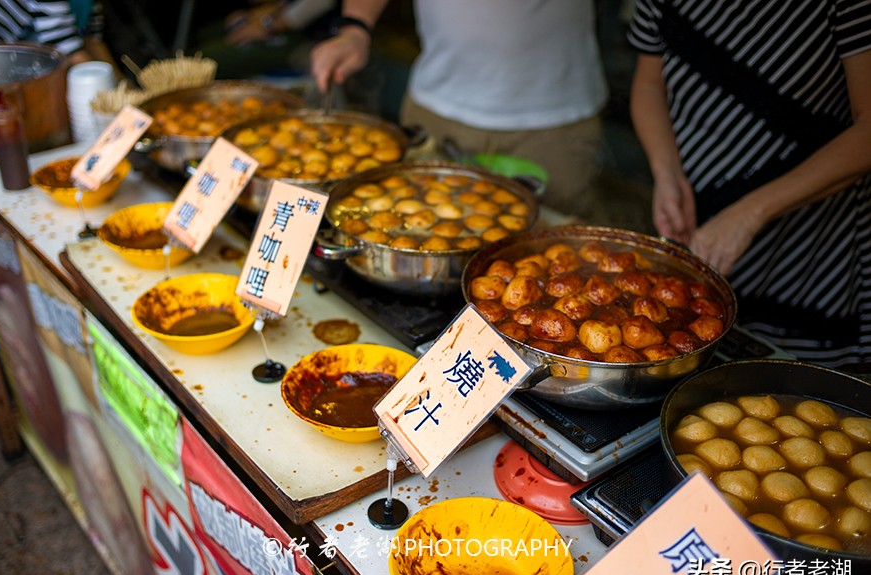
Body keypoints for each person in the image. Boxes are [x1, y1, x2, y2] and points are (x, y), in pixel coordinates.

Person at [628, 0, 871, 369]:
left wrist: (749, 214)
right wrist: (667, 173)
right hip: (696, 208)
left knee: (795, 382)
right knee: (687, 345)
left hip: (811, 238)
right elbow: (648, 83)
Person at [310, 0, 609, 219]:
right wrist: (356, 27)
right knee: (412, 225)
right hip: (438, 107)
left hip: (554, 120)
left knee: (553, 247)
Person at [196, 0, 337, 79]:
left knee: (206, 58)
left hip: (310, 38)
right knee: (205, 34)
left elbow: (320, 3)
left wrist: (267, 25)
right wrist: (260, 12)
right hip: (282, 19)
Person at [0, 0, 112, 65]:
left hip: (31, 40)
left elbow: (92, 40)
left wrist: (121, 84)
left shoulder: (90, 4)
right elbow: (70, 51)